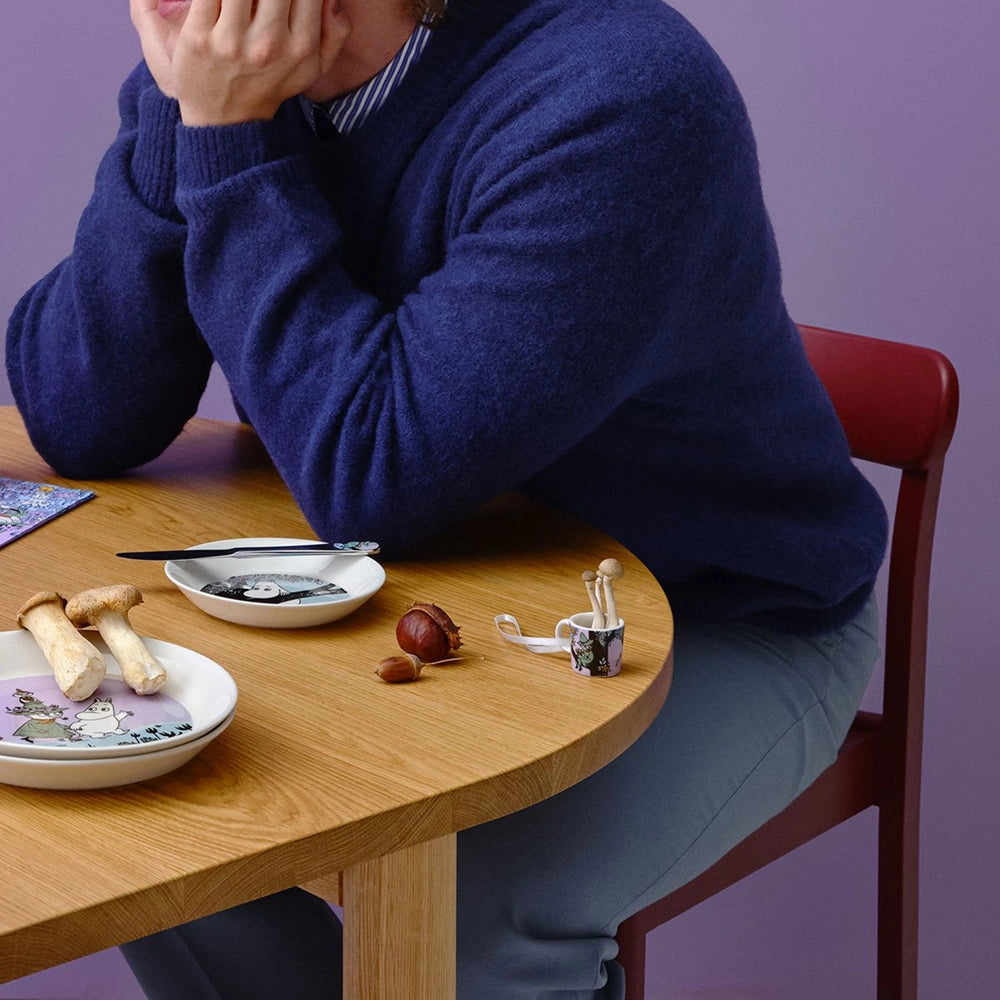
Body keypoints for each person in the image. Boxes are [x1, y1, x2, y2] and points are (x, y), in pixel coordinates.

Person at [5, 0, 888, 997]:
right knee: (138, 784)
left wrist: (230, 142)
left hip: (717, 615)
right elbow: (75, 416)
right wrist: (187, 117)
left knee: (476, 918)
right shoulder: (227, 62)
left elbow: (373, 471)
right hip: (403, 591)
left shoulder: (622, 97)